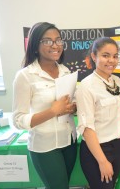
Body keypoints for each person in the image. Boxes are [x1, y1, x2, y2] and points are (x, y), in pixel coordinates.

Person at [12, 22, 77, 188]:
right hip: (45, 146)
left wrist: (72, 108)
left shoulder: (65, 71)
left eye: (58, 41)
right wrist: (53, 111)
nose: (55, 45)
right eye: (48, 41)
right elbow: (18, 120)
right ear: (35, 45)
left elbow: (70, 104)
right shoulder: (25, 76)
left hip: (69, 141)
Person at [76, 37, 120, 189]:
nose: (111, 61)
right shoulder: (86, 86)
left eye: (115, 56)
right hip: (98, 149)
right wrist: (102, 161)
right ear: (94, 57)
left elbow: (119, 111)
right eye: (105, 55)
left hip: (118, 144)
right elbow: (87, 128)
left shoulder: (115, 80)